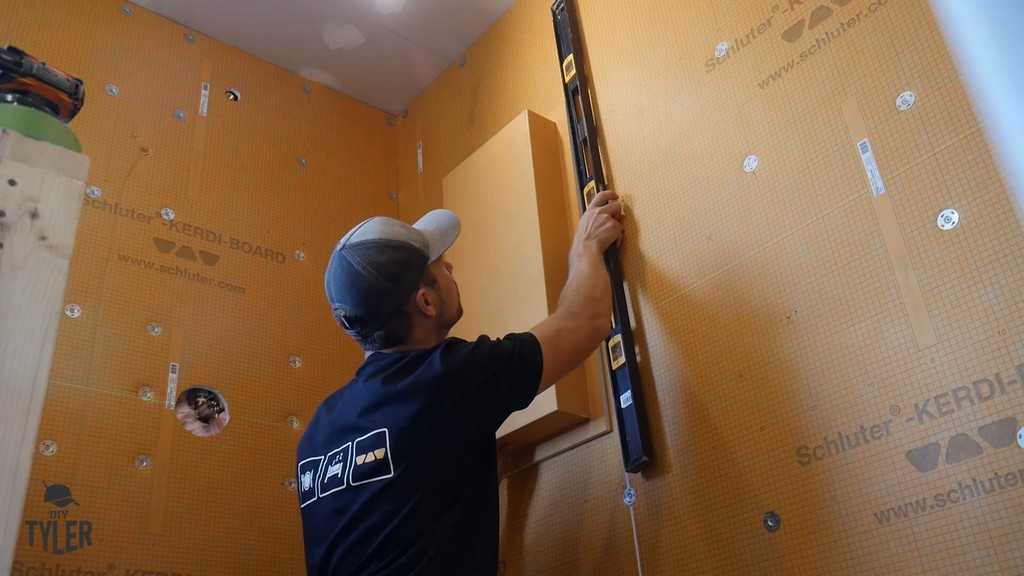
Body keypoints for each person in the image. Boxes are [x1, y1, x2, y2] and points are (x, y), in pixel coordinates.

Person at [296, 189, 624, 575]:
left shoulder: (319, 431)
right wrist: (586, 244)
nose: (450, 269)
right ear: (426, 302)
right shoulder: (443, 379)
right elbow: (586, 320)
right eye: (439, 265)